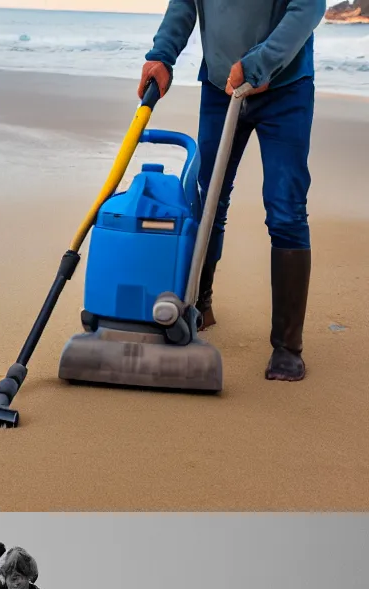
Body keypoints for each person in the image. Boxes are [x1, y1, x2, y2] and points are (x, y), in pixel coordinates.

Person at [139, 2, 327, 382]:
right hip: (220, 85)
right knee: (210, 197)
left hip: (285, 88)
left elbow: (308, 8)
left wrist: (260, 63)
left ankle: (287, 348)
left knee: (286, 208)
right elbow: (185, 6)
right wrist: (162, 55)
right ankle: (198, 304)